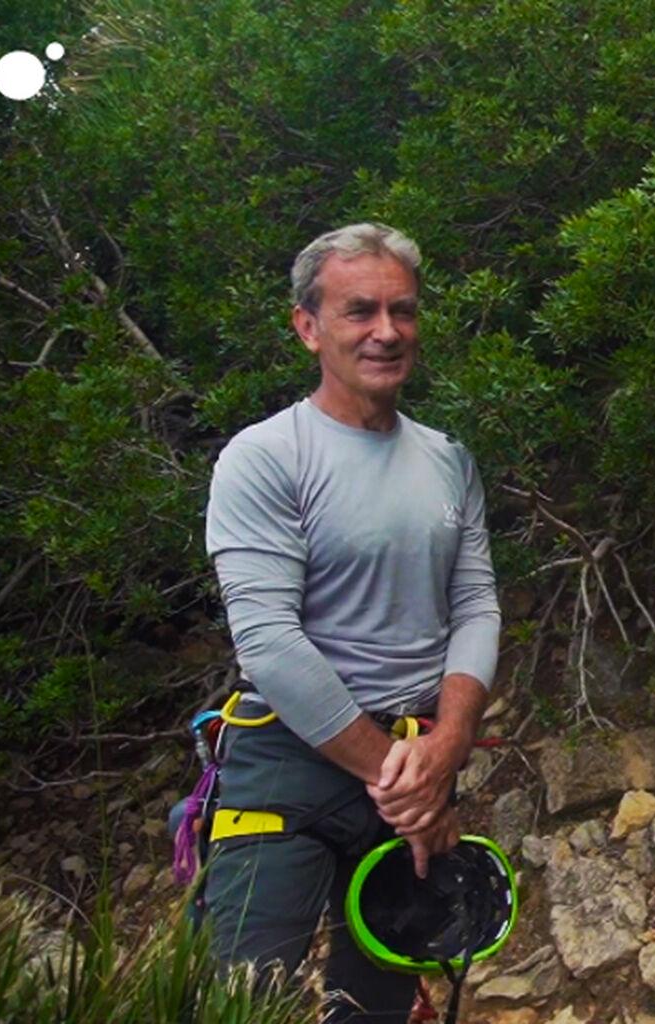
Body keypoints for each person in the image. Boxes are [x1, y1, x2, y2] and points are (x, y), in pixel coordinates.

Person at [202, 222, 501, 1022]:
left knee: (376, 1005)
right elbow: (267, 641)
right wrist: (403, 779)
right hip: (291, 761)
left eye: (402, 311)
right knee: (240, 1001)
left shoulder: (448, 459)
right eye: (359, 311)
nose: (386, 332)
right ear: (309, 327)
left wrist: (446, 747)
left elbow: (475, 606)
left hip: (413, 759)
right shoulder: (265, 458)